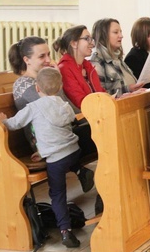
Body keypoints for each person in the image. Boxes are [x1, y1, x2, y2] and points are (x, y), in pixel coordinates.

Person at [0, 68, 90, 248]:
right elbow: (70, 121)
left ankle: (65, 231)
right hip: (73, 150)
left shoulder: (33, 107)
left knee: (57, 194)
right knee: (70, 158)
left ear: (37, 88)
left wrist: (2, 121)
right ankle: (80, 170)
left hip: (56, 158)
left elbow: (15, 124)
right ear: (60, 86)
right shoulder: (64, 105)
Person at [8, 36, 96, 195]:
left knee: (100, 126)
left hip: (62, 136)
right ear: (26, 59)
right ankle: (104, 193)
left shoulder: (44, 79)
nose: (48, 59)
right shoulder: (24, 84)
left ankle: (104, 191)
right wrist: (58, 80)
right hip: (47, 143)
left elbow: (70, 108)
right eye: (42, 56)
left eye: (49, 54)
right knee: (100, 132)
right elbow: (56, 110)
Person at [90, 18, 145, 97]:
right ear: (103, 36)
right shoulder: (97, 63)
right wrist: (128, 89)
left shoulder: (118, 58)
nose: (121, 36)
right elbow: (100, 96)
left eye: (120, 32)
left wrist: (133, 88)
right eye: (116, 32)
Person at [55, 25, 106, 109]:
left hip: (97, 112)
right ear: (74, 43)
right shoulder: (64, 68)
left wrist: (114, 98)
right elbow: (80, 102)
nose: (92, 44)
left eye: (91, 39)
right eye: (87, 39)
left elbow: (100, 92)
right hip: (83, 118)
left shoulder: (87, 66)